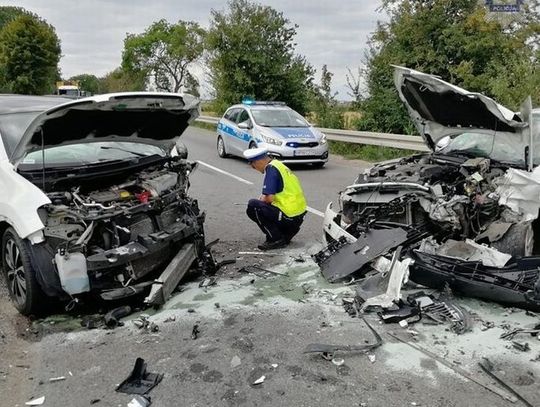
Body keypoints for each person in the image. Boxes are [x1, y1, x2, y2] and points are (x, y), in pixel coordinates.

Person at [243, 147, 307, 250]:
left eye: (252, 164)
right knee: (263, 205)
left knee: (253, 206)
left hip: (289, 216)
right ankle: (286, 234)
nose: (252, 167)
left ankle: (275, 239)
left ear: (259, 161)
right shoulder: (279, 165)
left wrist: (262, 201)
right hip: (298, 217)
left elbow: (269, 199)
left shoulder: (271, 169)